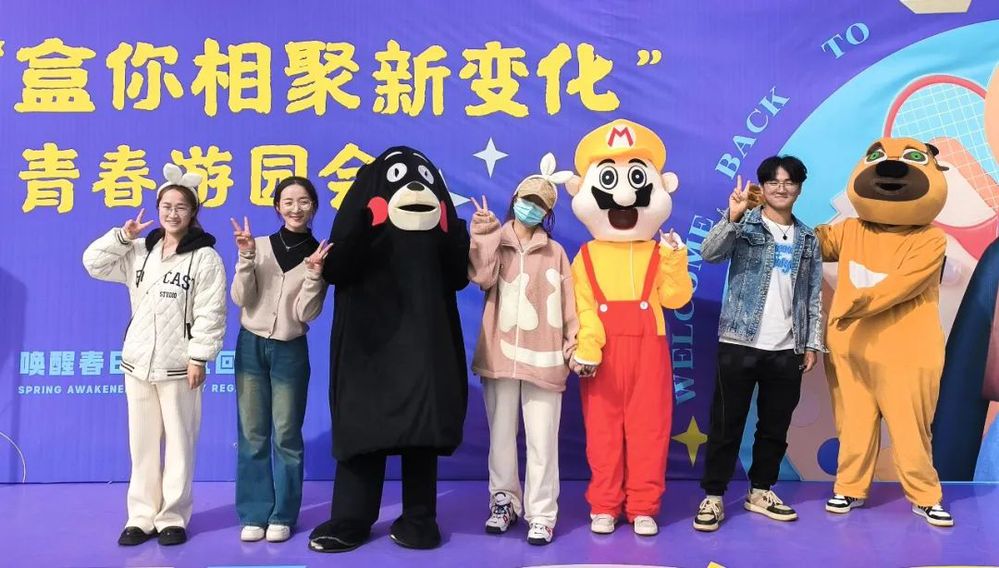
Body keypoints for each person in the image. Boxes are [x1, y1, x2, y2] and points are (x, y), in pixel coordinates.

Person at [82, 164, 227, 546]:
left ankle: (173, 517)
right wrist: (122, 236)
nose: (172, 213)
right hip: (138, 363)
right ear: (158, 208)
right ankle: (141, 516)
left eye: (181, 207)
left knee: (180, 442)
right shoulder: (140, 251)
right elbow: (93, 263)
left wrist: (199, 357)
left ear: (192, 212)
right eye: (166, 206)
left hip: (180, 366)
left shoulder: (205, 258)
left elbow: (211, 312)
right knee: (142, 444)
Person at [695, 156, 824, 532]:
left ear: (799, 188)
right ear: (763, 187)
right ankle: (714, 495)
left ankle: (761, 491)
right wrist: (732, 217)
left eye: (789, 181)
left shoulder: (808, 238)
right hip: (739, 340)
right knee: (726, 423)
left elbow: (813, 294)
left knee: (774, 427)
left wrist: (811, 343)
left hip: (787, 347)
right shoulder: (746, 223)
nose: (781, 188)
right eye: (773, 182)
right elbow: (709, 253)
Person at [467, 154, 579, 546]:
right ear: (514, 199)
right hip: (499, 356)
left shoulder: (556, 252)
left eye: (540, 204)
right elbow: (481, 277)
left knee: (543, 440)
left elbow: (569, 305)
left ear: (548, 212)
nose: (531, 207)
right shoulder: (496, 241)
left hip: (545, 360)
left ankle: (542, 514)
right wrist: (483, 235)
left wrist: (572, 344)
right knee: (500, 437)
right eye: (526, 199)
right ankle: (503, 502)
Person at [230, 177, 332, 543]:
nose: (295, 208)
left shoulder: (318, 254)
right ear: (277, 207)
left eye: (303, 201)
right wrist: (245, 258)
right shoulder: (257, 246)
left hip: (290, 349)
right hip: (250, 345)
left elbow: (307, 313)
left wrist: (314, 275)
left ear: (313, 206)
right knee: (252, 433)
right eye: (288, 201)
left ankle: (283, 514)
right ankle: (254, 512)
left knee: (286, 434)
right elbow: (241, 298)